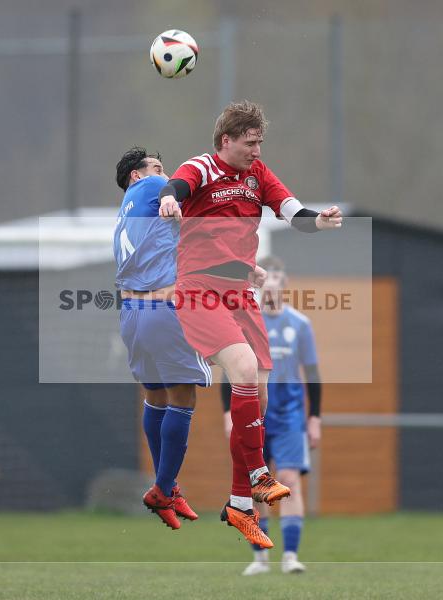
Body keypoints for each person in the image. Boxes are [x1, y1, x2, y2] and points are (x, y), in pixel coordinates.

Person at [158, 100, 341, 548]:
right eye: (250, 143)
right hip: (199, 289)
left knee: (258, 389)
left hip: (240, 292)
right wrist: (168, 197)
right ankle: (259, 474)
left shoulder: (258, 176)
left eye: (260, 143)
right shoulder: (201, 166)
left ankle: (240, 505)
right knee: (240, 370)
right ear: (227, 140)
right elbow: (180, 185)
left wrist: (316, 221)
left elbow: (291, 209)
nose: (257, 151)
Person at [113, 147, 210, 530]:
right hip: (163, 307)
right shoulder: (154, 186)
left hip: (131, 313)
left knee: (155, 397)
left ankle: (165, 486)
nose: (164, 174)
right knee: (184, 396)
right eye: (156, 168)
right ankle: (164, 487)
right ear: (137, 176)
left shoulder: (125, 210)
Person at [221, 256, 321, 575]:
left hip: (290, 415)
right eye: (269, 275)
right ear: (259, 282)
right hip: (255, 414)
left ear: (285, 282)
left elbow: (314, 374)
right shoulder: (247, 321)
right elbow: (232, 369)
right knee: (257, 486)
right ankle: (259, 557)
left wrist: (314, 417)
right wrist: (227, 413)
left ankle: (290, 556)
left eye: (279, 275)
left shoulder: (300, 324)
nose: (274, 281)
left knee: (289, 480)